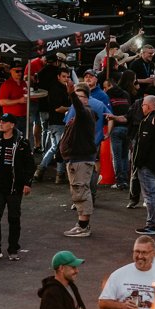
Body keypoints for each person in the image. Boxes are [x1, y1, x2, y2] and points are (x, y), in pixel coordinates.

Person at [0, 113, 34, 262]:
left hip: (14, 188)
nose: (1, 124)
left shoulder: (22, 143)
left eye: (4, 122)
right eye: (1, 122)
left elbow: (30, 164)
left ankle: (13, 249)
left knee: (14, 219)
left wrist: (27, 183)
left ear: (12, 125)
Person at [61, 87, 102, 239]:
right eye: (75, 96)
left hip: (81, 160)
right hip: (76, 159)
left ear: (86, 99)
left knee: (81, 191)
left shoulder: (86, 113)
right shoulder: (80, 115)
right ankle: (82, 224)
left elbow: (78, 107)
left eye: (79, 97)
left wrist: (71, 92)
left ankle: (83, 226)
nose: (76, 100)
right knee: (78, 191)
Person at [132, 95, 155, 236]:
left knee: (150, 195)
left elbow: (142, 146)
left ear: (148, 106)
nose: (142, 107)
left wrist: (137, 163)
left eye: (143, 105)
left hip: (147, 165)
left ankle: (152, 224)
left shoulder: (148, 121)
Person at [0, 63, 30, 135]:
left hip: (24, 116)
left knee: (23, 139)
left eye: (21, 71)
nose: (20, 73)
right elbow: (2, 102)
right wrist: (19, 100)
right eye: (17, 71)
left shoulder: (23, 83)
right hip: (12, 118)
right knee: (14, 140)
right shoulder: (6, 84)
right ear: (11, 71)